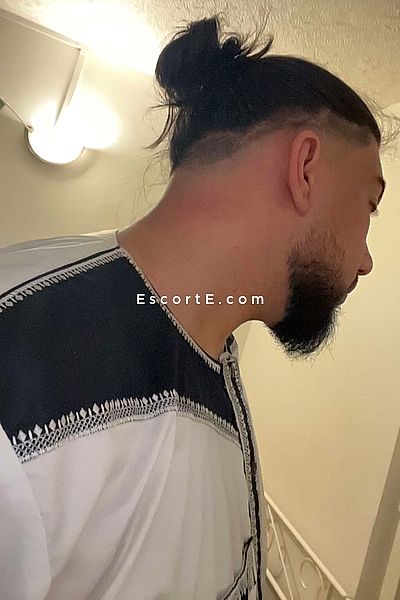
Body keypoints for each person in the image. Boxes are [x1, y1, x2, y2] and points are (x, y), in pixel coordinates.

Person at [0, 13, 388, 600]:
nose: (366, 260)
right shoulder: (20, 354)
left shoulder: (214, 357)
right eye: (370, 205)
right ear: (306, 168)